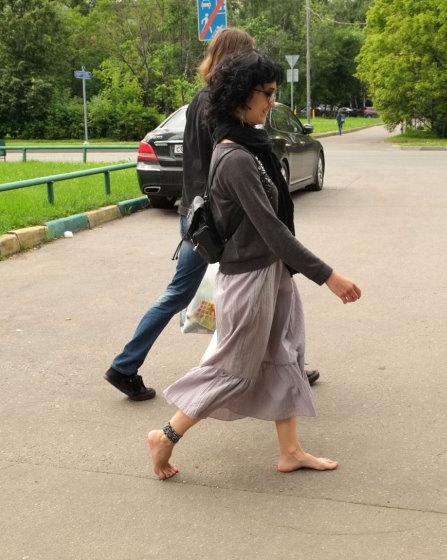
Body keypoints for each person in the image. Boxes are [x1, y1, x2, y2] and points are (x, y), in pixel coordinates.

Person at [147, 49, 362, 480]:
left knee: (286, 354)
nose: (272, 102)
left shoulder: (251, 145)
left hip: (272, 272)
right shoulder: (235, 159)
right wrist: (328, 276)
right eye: (267, 93)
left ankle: (290, 451)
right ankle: (165, 436)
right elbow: (272, 231)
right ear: (241, 96)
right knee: (234, 370)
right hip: (248, 279)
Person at [103, 28, 321, 401]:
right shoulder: (217, 105)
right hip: (215, 219)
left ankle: (289, 366)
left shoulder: (200, 100)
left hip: (199, 211)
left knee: (264, 284)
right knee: (209, 289)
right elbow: (223, 162)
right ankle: (125, 366)